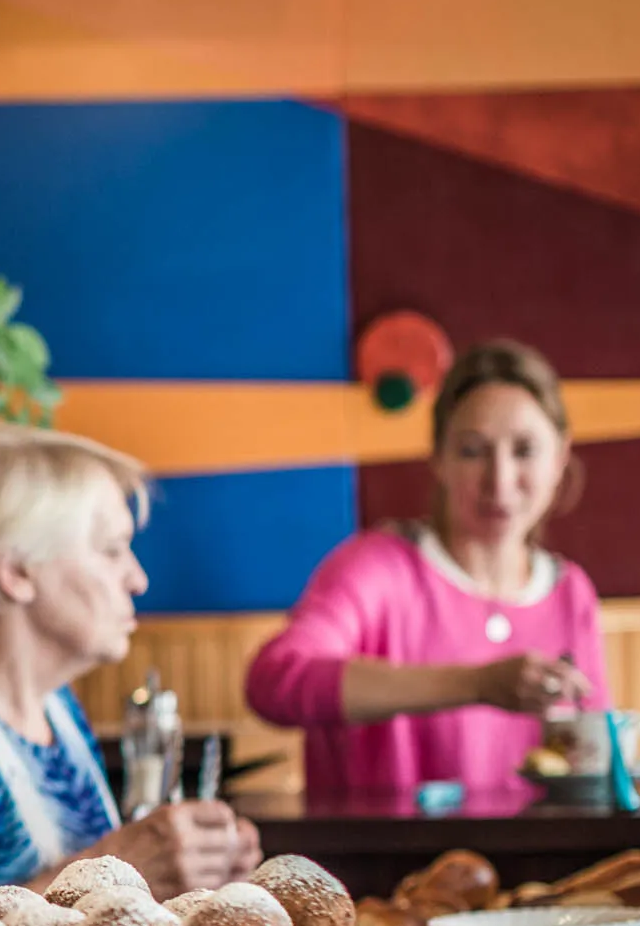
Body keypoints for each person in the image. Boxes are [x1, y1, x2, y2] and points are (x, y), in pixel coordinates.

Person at [0, 422, 262, 901]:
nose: (138, 579)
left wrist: (186, 865)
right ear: (16, 571)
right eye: (112, 550)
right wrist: (120, 865)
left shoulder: (52, 701)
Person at [245, 340, 607, 798]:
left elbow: (591, 764)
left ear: (559, 458)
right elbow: (274, 682)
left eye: (524, 450)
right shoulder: (377, 568)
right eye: (473, 450)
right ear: (438, 458)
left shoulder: (571, 592)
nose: (499, 480)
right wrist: (476, 684)